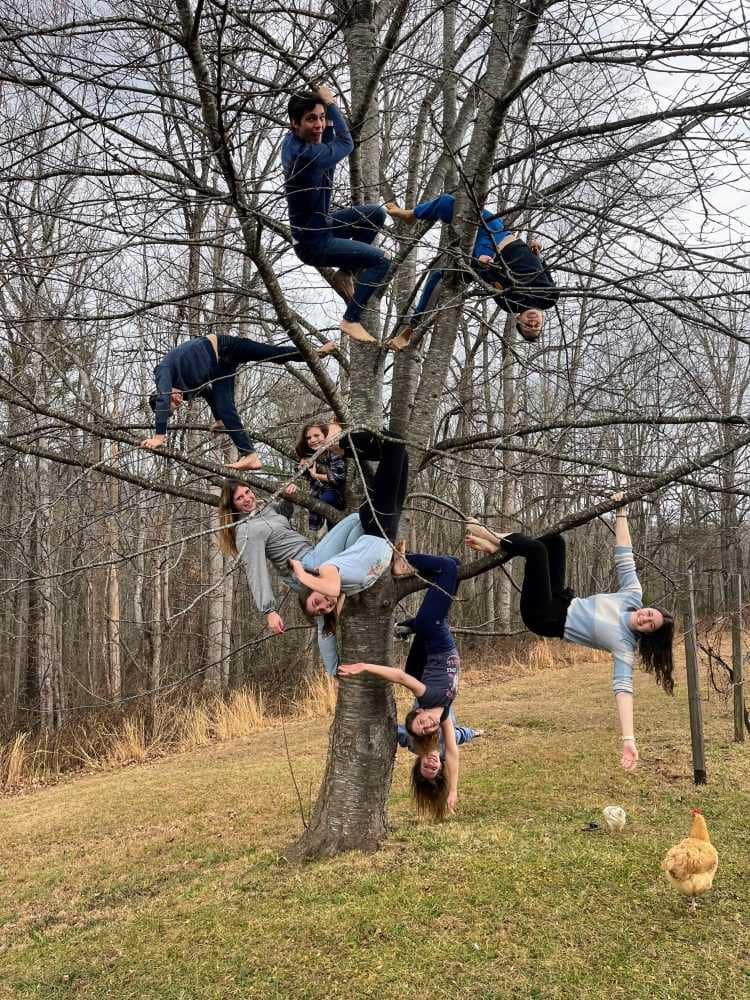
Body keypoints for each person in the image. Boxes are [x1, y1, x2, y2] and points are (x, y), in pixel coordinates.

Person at [464, 494, 674, 773]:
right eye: (651, 613)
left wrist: (628, 739)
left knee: (537, 551)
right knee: (554, 541)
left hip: (545, 617)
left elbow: (624, 691)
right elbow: (625, 556)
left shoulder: (624, 645)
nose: (646, 618)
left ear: (647, 634)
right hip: (561, 598)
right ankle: (495, 545)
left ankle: (490, 537)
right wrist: (620, 512)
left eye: (650, 625)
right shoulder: (632, 596)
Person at [218, 432, 412, 672]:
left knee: (325, 622)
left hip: (312, 565)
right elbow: (255, 570)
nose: (247, 498)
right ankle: (386, 549)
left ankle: (333, 672)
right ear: (232, 506)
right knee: (355, 519)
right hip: (309, 564)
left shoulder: (265, 511)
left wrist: (288, 496)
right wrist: (269, 611)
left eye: (247, 492)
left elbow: (283, 515)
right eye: (240, 498)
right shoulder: (246, 530)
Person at [338, 554, 463, 819]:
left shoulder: (423, 715)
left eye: (426, 769)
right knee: (451, 574)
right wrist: (452, 790)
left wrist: (365, 667)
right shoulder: (439, 719)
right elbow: (453, 752)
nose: (431, 764)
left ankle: (402, 563)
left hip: (428, 657)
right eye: (435, 770)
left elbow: (399, 682)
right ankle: (411, 625)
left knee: (447, 573)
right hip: (429, 658)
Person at [282, 84, 392, 346]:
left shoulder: (295, 141)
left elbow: (329, 134)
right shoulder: (307, 156)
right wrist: (330, 103)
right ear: (294, 124)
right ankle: (351, 320)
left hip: (322, 224)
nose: (319, 125)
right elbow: (346, 142)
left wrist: (325, 111)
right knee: (381, 262)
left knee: (375, 214)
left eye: (321, 117)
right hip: (313, 244)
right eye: (311, 119)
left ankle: (346, 272)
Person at [385, 193, 558, 348]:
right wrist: (537, 251)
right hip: (500, 233)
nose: (533, 322)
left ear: (518, 320)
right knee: (446, 203)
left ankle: (410, 328)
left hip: (486, 256)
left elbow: (491, 282)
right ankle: (412, 214)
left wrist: (482, 261)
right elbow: (542, 268)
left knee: (438, 277)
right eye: (537, 325)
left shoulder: (510, 304)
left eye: (529, 327)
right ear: (543, 320)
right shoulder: (550, 297)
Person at [144, 333, 335, 471]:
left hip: (224, 346)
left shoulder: (163, 371)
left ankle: (314, 352)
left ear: (162, 391)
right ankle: (250, 456)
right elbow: (209, 394)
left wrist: (159, 437)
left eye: (172, 398)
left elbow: (162, 400)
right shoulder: (186, 391)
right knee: (226, 410)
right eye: (176, 405)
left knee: (270, 353)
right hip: (220, 367)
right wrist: (219, 419)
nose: (177, 400)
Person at [295, 421, 346, 531]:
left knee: (327, 500)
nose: (312, 440)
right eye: (308, 438)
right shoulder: (311, 455)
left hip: (337, 495)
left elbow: (339, 478)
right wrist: (303, 464)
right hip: (319, 493)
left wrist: (316, 475)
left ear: (325, 435)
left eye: (316, 435)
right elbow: (300, 470)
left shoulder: (334, 452)